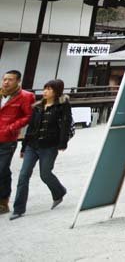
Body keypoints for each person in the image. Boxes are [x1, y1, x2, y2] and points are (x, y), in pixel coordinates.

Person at [10, 79, 72, 219]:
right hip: (32, 145)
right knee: (23, 175)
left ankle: (59, 192)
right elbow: (31, 128)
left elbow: (65, 125)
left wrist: (63, 143)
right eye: (45, 89)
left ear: (57, 91)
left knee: (45, 174)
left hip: (49, 146)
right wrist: (24, 146)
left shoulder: (62, 106)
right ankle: (18, 209)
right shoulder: (37, 107)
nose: (45, 92)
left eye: (49, 89)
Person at [0, 70, 35, 215]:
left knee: (1, 169)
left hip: (8, 138)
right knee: (3, 171)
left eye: (10, 80)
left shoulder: (26, 96)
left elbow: (29, 115)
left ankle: (3, 202)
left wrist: (11, 127)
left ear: (18, 81)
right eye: (4, 79)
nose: (6, 82)